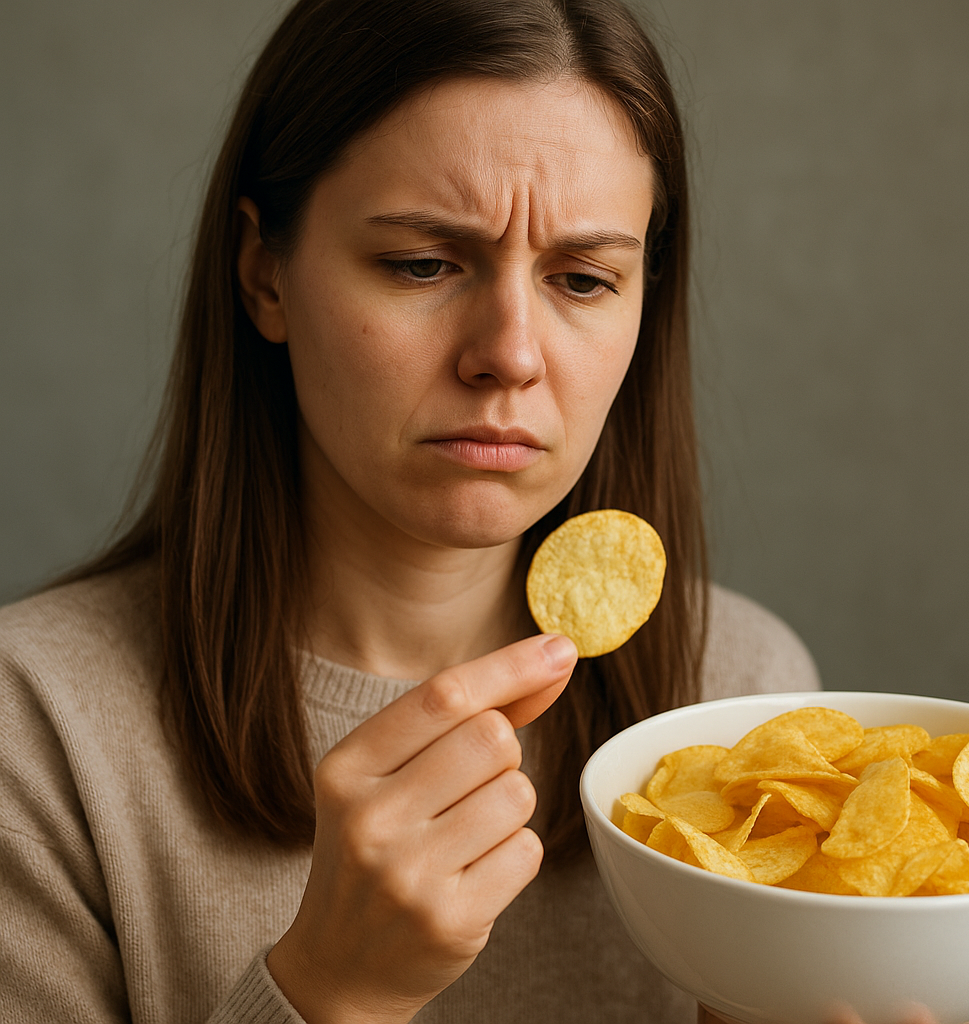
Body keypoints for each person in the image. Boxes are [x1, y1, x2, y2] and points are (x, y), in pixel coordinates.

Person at [0, 1, 825, 1021]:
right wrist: (330, 990)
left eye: (581, 278)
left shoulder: (740, 696)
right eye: (422, 264)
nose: (510, 354)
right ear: (264, 273)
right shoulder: (36, 731)